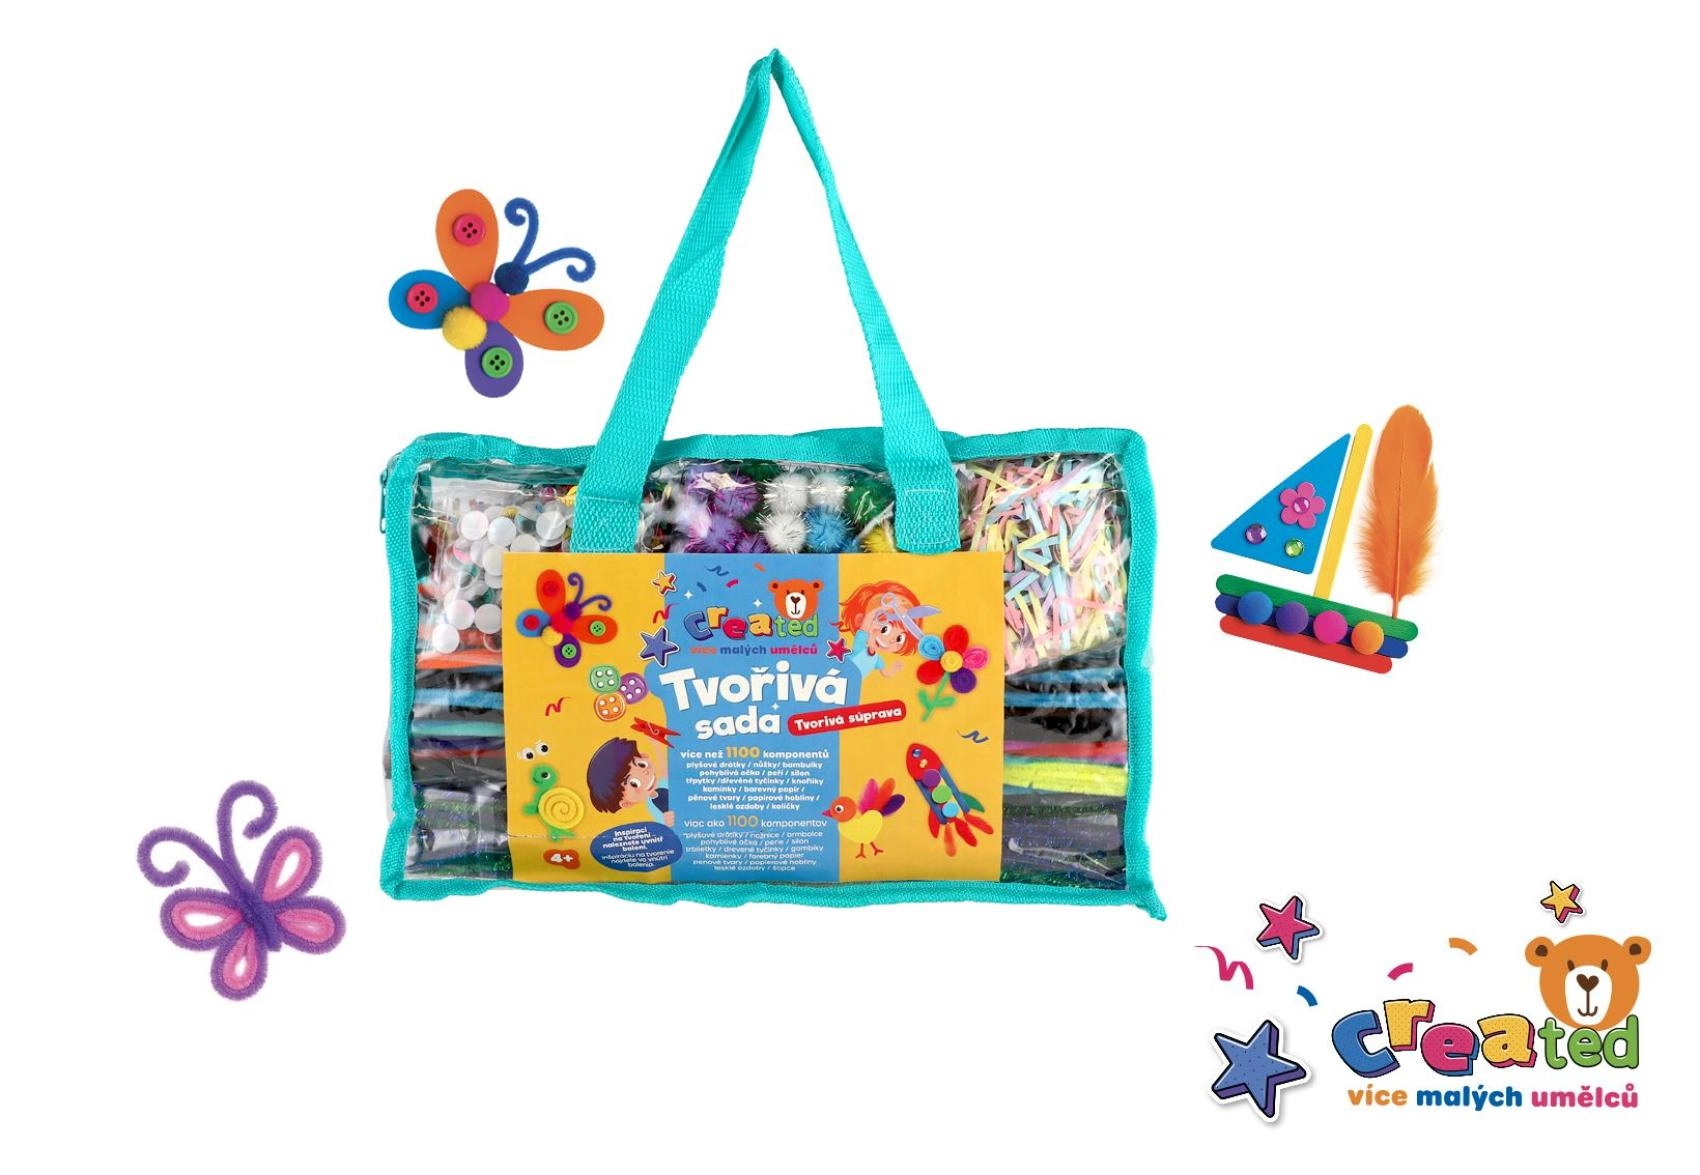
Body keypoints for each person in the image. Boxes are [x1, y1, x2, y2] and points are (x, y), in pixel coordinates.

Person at [585, 737, 672, 827]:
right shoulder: (653, 807)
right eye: (634, 783)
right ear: (626, 803)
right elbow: (664, 826)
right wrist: (669, 822)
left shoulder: (662, 784)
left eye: (641, 765)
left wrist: (657, 745)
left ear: (643, 756)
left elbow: (665, 771)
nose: (645, 773)